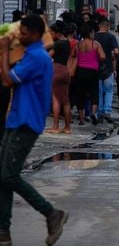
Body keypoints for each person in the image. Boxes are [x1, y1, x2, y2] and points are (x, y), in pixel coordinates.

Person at [0, 15, 68, 246]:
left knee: (9, 175)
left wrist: (2, 52)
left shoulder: (36, 58)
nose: (20, 35)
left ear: (36, 35)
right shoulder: (31, 55)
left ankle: (51, 213)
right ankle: (3, 231)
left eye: (24, 32)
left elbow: (7, 80)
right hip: (16, 118)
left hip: (26, 122)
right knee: (3, 176)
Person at [72, 24, 105, 125]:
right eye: (93, 32)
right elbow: (103, 56)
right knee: (94, 92)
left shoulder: (78, 44)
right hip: (93, 71)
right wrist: (96, 60)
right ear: (90, 33)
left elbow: (74, 55)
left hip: (80, 71)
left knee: (80, 95)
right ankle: (93, 113)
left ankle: (81, 119)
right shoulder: (95, 44)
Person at [47, 21, 73, 134]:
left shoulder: (57, 44)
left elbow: (48, 57)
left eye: (52, 33)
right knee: (66, 100)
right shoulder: (67, 42)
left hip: (56, 70)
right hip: (65, 70)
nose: (51, 36)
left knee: (56, 99)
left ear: (57, 33)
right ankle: (67, 127)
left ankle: (56, 126)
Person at [94, 17, 119, 122]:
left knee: (99, 91)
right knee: (109, 90)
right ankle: (107, 111)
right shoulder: (111, 37)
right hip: (108, 67)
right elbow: (116, 52)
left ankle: (99, 112)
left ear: (99, 25)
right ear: (107, 26)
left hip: (95, 67)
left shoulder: (93, 36)